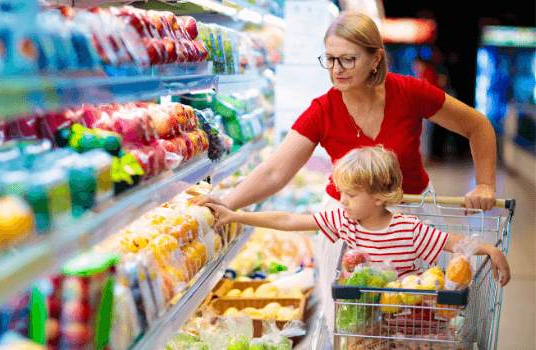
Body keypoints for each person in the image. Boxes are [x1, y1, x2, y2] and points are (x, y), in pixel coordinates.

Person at [192, 11, 499, 337]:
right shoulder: (323, 109)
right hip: (347, 224)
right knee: (354, 324)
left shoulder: (409, 93)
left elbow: (477, 126)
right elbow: (273, 173)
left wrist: (484, 183)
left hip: (411, 218)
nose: (336, 70)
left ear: (375, 58)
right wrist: (225, 204)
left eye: (348, 60)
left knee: (416, 315)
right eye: (330, 59)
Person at [205, 146, 510, 282]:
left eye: (350, 195)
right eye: (341, 194)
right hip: (360, 323)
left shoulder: (409, 228)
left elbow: (452, 242)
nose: (342, 201)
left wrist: (490, 249)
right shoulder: (344, 221)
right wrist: (235, 215)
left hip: (403, 320)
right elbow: (287, 220)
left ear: (380, 197)